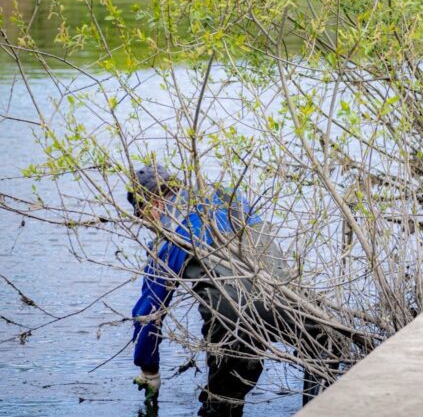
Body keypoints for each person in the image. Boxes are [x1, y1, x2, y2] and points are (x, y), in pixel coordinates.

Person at [128, 164, 353, 416]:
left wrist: (149, 369)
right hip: (284, 295)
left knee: (223, 401)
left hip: (231, 321)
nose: (147, 224)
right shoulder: (227, 196)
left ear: (153, 204)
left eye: (142, 216)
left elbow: (148, 312)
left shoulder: (168, 238)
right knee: (328, 339)